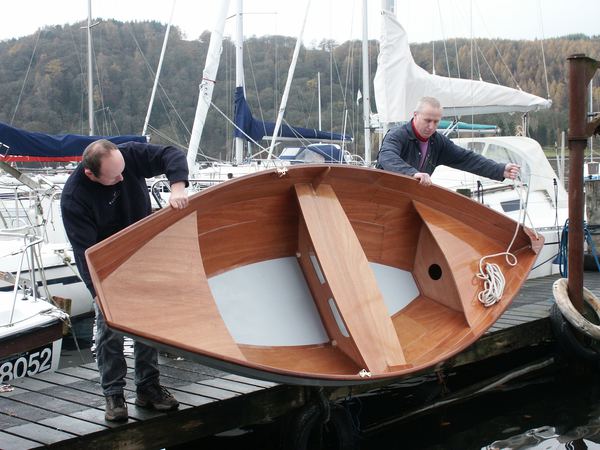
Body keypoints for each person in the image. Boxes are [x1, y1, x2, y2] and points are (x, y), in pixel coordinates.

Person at [60, 139, 189, 422]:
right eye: (114, 176)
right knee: (108, 327)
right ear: (91, 174)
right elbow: (84, 252)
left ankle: (148, 387)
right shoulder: (74, 198)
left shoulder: (128, 156)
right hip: (106, 262)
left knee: (148, 321)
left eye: (123, 171)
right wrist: (97, 292)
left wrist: (177, 189)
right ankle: (114, 394)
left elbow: (171, 154)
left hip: (141, 251)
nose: (122, 177)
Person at [376, 96, 520, 185]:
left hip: (411, 197)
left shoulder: (438, 142)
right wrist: (412, 173)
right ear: (415, 115)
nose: (431, 126)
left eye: (436, 122)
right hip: (385, 193)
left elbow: (466, 158)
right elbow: (386, 156)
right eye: (427, 120)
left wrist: (499, 170)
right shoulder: (397, 135)